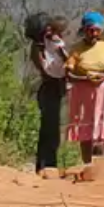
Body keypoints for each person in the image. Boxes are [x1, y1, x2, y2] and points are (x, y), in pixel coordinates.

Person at [65, 11, 104, 160]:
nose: (94, 33)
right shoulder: (76, 49)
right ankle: (87, 163)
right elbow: (69, 72)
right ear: (84, 30)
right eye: (90, 30)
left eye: (97, 30)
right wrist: (83, 78)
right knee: (85, 126)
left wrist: (103, 76)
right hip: (83, 92)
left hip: (103, 90)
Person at [27, 15, 69, 173]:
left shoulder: (53, 43)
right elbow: (45, 70)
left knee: (51, 128)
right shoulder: (39, 47)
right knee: (50, 128)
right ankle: (47, 164)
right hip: (49, 87)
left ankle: (46, 163)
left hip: (55, 87)